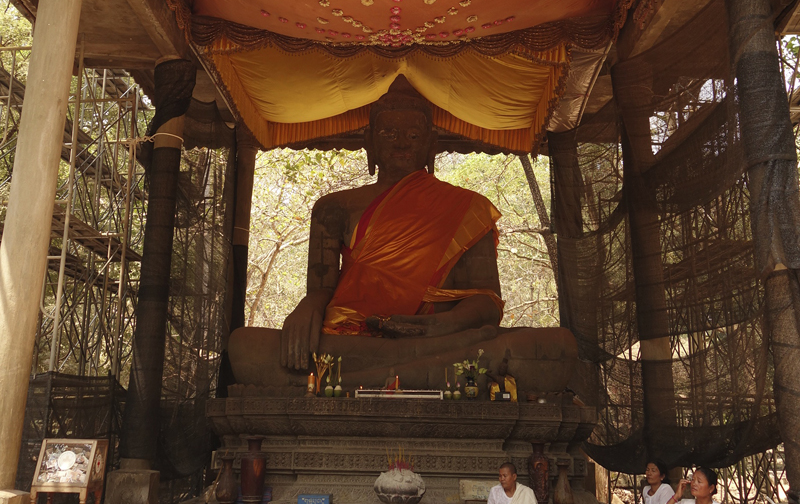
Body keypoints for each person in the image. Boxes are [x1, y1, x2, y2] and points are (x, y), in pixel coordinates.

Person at [229, 78, 580, 395]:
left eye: (413, 136)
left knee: (557, 345)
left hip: (442, 339)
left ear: (431, 144)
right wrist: (308, 307)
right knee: (246, 346)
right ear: (369, 142)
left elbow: (486, 302)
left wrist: (432, 328)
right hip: (354, 340)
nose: (400, 143)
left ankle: (338, 382)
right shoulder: (332, 207)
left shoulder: (467, 208)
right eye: (387, 134)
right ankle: (414, 373)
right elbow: (321, 289)